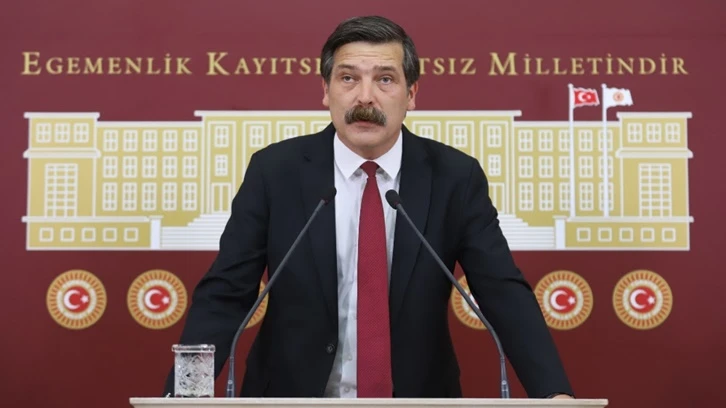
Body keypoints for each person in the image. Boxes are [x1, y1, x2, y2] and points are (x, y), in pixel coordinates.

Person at [163, 15, 574, 399]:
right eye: (348, 78)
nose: (365, 97)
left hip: (417, 402)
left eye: (385, 80)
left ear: (411, 94)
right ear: (325, 90)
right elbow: (226, 293)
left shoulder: (454, 177)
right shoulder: (275, 171)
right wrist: (182, 396)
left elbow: (502, 292)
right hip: (291, 398)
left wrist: (553, 393)